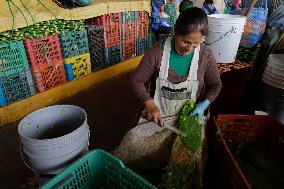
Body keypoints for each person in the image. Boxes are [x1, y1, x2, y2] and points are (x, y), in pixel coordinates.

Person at [131, 7, 222, 126]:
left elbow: (216, 85)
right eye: (185, 42)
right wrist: (149, 103)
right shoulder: (157, 51)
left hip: (188, 121)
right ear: (175, 31)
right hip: (158, 119)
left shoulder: (205, 55)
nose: (189, 48)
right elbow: (136, 80)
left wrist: (203, 105)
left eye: (195, 44)